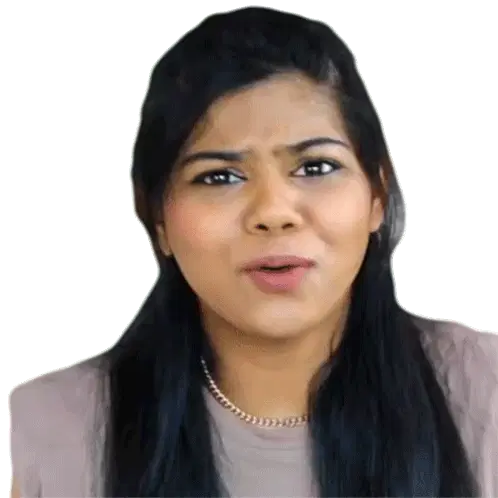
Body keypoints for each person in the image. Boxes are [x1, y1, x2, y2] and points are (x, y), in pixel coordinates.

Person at [8, 6, 498, 498]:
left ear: (377, 195)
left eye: (315, 167)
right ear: (158, 220)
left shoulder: (484, 391)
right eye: (219, 176)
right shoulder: (41, 434)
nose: (273, 212)